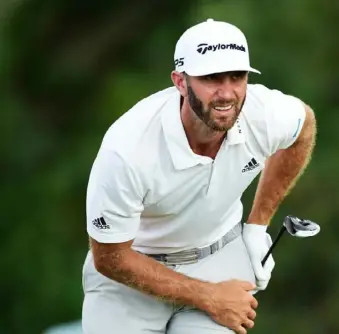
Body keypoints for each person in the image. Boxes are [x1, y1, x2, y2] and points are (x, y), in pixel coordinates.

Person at [81, 18, 317, 334]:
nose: (227, 93)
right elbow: (109, 258)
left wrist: (258, 227)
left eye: (237, 77)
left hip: (216, 258)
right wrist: (208, 297)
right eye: (211, 78)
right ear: (180, 82)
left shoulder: (263, 113)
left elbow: (304, 126)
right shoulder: (128, 149)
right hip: (130, 276)